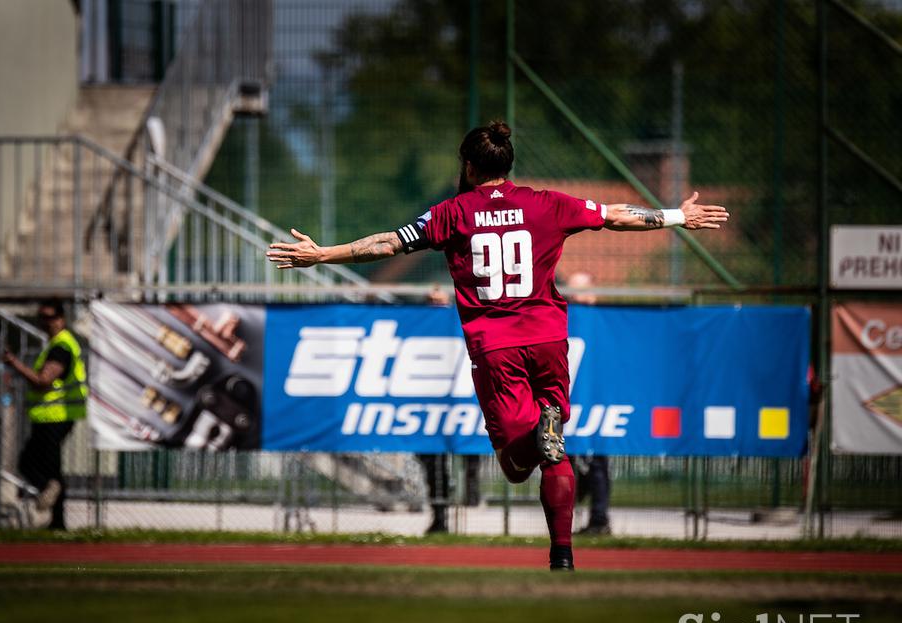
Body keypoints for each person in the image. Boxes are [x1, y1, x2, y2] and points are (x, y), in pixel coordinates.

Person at [267, 121, 728, 569]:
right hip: (549, 339)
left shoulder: (452, 213)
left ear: (468, 166)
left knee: (514, 464)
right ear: (508, 164)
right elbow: (614, 215)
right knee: (556, 453)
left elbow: (388, 244)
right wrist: (678, 216)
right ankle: (562, 556)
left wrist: (323, 253)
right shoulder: (547, 203)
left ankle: (537, 441)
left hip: (496, 348)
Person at [3, 300, 88, 529]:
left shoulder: (61, 347)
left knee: (34, 465)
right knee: (45, 469)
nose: (45, 322)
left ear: (61, 319)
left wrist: (15, 364)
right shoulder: (55, 344)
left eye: (50, 317)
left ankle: (53, 507)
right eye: (41, 317)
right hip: (48, 416)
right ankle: (57, 521)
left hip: (56, 416)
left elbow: (43, 381)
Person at [562, 271, 611, 535]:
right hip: (567, 401)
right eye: (569, 291)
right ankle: (564, 521)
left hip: (597, 402)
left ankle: (600, 519)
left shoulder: (605, 322)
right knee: (563, 461)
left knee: (597, 463)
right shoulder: (561, 317)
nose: (572, 296)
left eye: (578, 290)